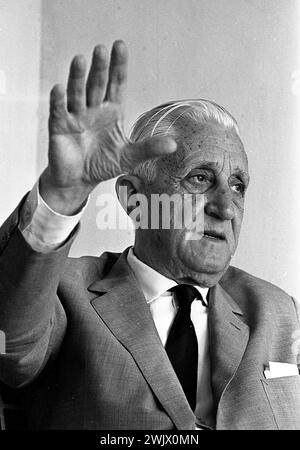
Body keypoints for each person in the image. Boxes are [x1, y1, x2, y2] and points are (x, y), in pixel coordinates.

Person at [0, 40, 299, 430]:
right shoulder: (65, 293)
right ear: (134, 198)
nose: (225, 207)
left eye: (238, 185)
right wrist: (61, 194)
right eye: (200, 178)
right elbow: (11, 343)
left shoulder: (279, 311)